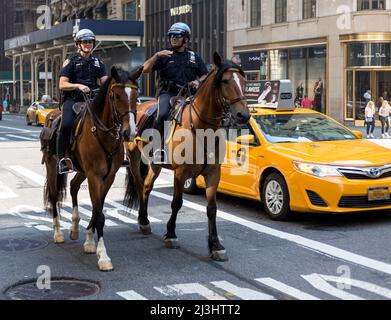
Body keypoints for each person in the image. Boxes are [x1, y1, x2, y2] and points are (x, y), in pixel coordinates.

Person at [142, 22, 208, 162]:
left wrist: (198, 82)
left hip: (189, 95)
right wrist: (156, 55)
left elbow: (205, 74)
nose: (173, 38)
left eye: (177, 35)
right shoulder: (164, 55)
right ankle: (157, 148)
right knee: (162, 114)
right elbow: (145, 69)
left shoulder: (193, 56)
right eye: (171, 35)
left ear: (186, 39)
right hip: (168, 93)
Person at [57, 29, 108, 174]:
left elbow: (105, 82)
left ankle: (118, 154)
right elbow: (62, 84)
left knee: (113, 119)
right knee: (66, 125)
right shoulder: (71, 61)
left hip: (92, 100)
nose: (87, 44)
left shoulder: (98, 62)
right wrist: (78, 86)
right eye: (84, 42)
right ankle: (62, 159)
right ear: (78, 44)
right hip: (73, 100)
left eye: (90, 42)